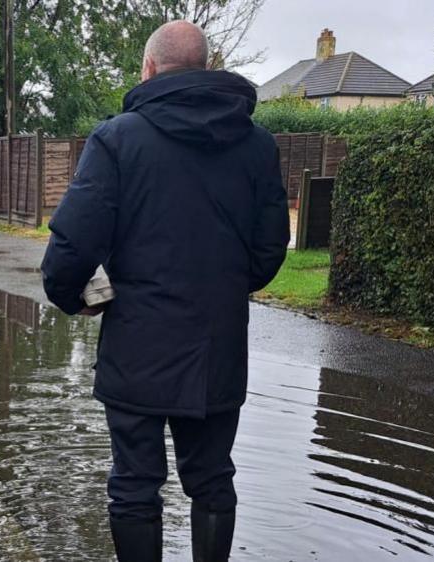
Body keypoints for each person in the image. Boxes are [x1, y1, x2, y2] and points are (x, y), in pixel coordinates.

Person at [40, 20, 289, 562]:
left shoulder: (117, 139)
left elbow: (72, 245)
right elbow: (270, 252)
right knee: (213, 478)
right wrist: (219, 290)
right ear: (205, 64)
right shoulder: (257, 146)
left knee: (134, 483)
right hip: (217, 350)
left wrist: (71, 295)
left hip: (137, 347)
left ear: (148, 69)